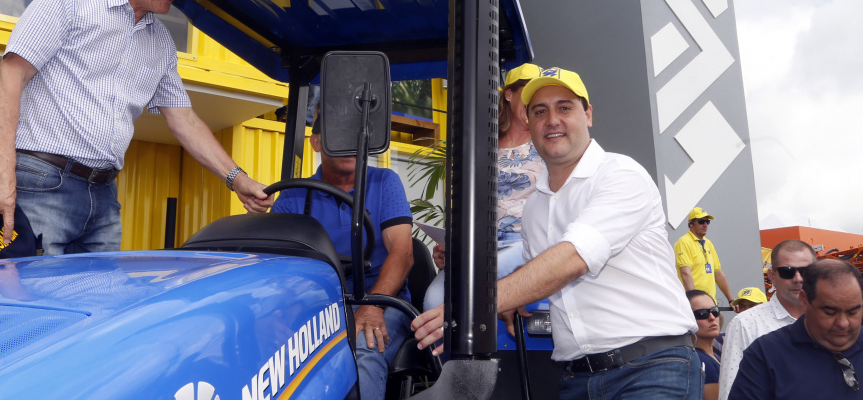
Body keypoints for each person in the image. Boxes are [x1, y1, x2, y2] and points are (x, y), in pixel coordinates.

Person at [0, 0, 272, 255]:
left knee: (102, 306)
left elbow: (184, 120)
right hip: (41, 183)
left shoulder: (161, 43)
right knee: (32, 304)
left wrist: (238, 180)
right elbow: (9, 76)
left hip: (104, 197)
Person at [413, 66, 701, 398]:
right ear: (529, 122)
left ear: (588, 114)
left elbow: (572, 258)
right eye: (540, 111)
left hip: (651, 368)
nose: (552, 120)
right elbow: (538, 277)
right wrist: (512, 297)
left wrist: (473, 306)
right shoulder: (535, 207)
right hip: (576, 379)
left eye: (564, 107)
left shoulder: (620, 174)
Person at [270, 117, 414, 400]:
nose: (349, 146)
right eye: (338, 135)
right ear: (316, 142)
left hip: (382, 301)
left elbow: (403, 252)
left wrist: (372, 305)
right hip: (319, 306)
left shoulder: (385, 182)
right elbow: (276, 263)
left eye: (355, 138)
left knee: (364, 347)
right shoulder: (293, 194)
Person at [422, 63, 546, 310]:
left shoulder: (547, 144)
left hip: (523, 242)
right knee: (432, 302)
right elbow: (464, 203)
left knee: (475, 285)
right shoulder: (479, 147)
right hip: (475, 245)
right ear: (508, 94)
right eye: (527, 91)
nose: (534, 100)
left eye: (539, 95)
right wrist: (448, 247)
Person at [729, 259, 863, 399]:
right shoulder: (765, 355)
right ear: (804, 300)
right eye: (830, 312)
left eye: (853, 312)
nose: (843, 323)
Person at [718, 239, 817, 399]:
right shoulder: (745, 323)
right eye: (788, 271)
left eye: (805, 271)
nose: (798, 278)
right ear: (772, 276)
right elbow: (730, 390)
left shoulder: (828, 321)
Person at [675, 207, 735, 305]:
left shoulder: (708, 243)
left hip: (710, 303)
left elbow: (718, 274)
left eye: (707, 222)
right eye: (701, 221)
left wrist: (731, 300)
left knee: (720, 319)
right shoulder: (684, 242)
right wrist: (696, 303)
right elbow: (685, 273)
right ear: (691, 223)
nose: (705, 225)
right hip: (695, 305)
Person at [689, 289, 722, 400]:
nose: (712, 317)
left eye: (715, 311)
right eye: (702, 313)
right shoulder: (702, 361)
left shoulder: (711, 356)